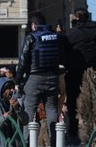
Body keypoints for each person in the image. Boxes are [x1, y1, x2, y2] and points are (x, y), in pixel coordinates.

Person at [15, 11, 64, 140]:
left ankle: (27, 144)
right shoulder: (56, 36)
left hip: (35, 77)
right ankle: (55, 142)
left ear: (33, 25)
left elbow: (23, 60)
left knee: (29, 110)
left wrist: (18, 80)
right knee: (52, 109)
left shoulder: (32, 37)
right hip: (53, 77)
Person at [64, 8, 96, 144]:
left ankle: (73, 133)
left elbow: (64, 50)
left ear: (76, 17)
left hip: (75, 70)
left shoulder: (72, 33)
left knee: (72, 102)